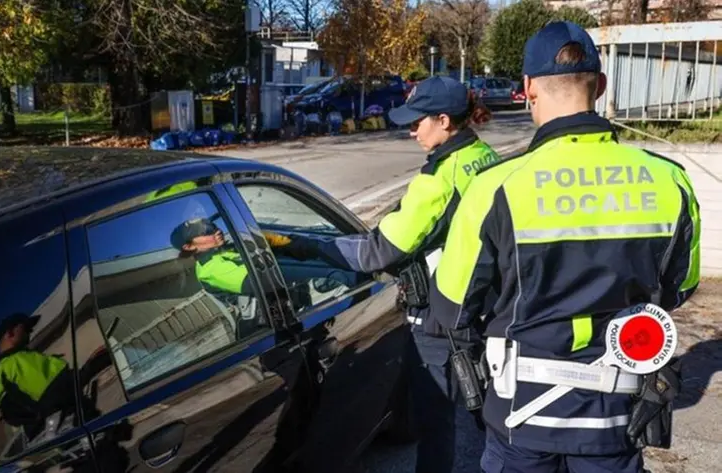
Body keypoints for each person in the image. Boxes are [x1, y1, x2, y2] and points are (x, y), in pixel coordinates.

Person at [428, 21, 701, 473]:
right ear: (602, 85)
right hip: (618, 417)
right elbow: (678, 289)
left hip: (522, 420)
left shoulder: (496, 187)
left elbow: (452, 308)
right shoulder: (670, 180)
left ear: (528, 87)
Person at [282, 75, 500, 473]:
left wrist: (308, 245)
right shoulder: (484, 157)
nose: (410, 129)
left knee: (436, 422)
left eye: (418, 121)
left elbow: (376, 251)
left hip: (439, 318)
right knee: (488, 413)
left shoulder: (439, 179)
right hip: (483, 304)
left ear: (445, 120)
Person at [0, 313, 75, 440]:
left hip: (75, 426)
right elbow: (60, 391)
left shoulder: (22, 359)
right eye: (26, 329)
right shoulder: (13, 365)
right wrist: (90, 368)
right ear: (10, 333)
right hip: (73, 431)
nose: (29, 333)